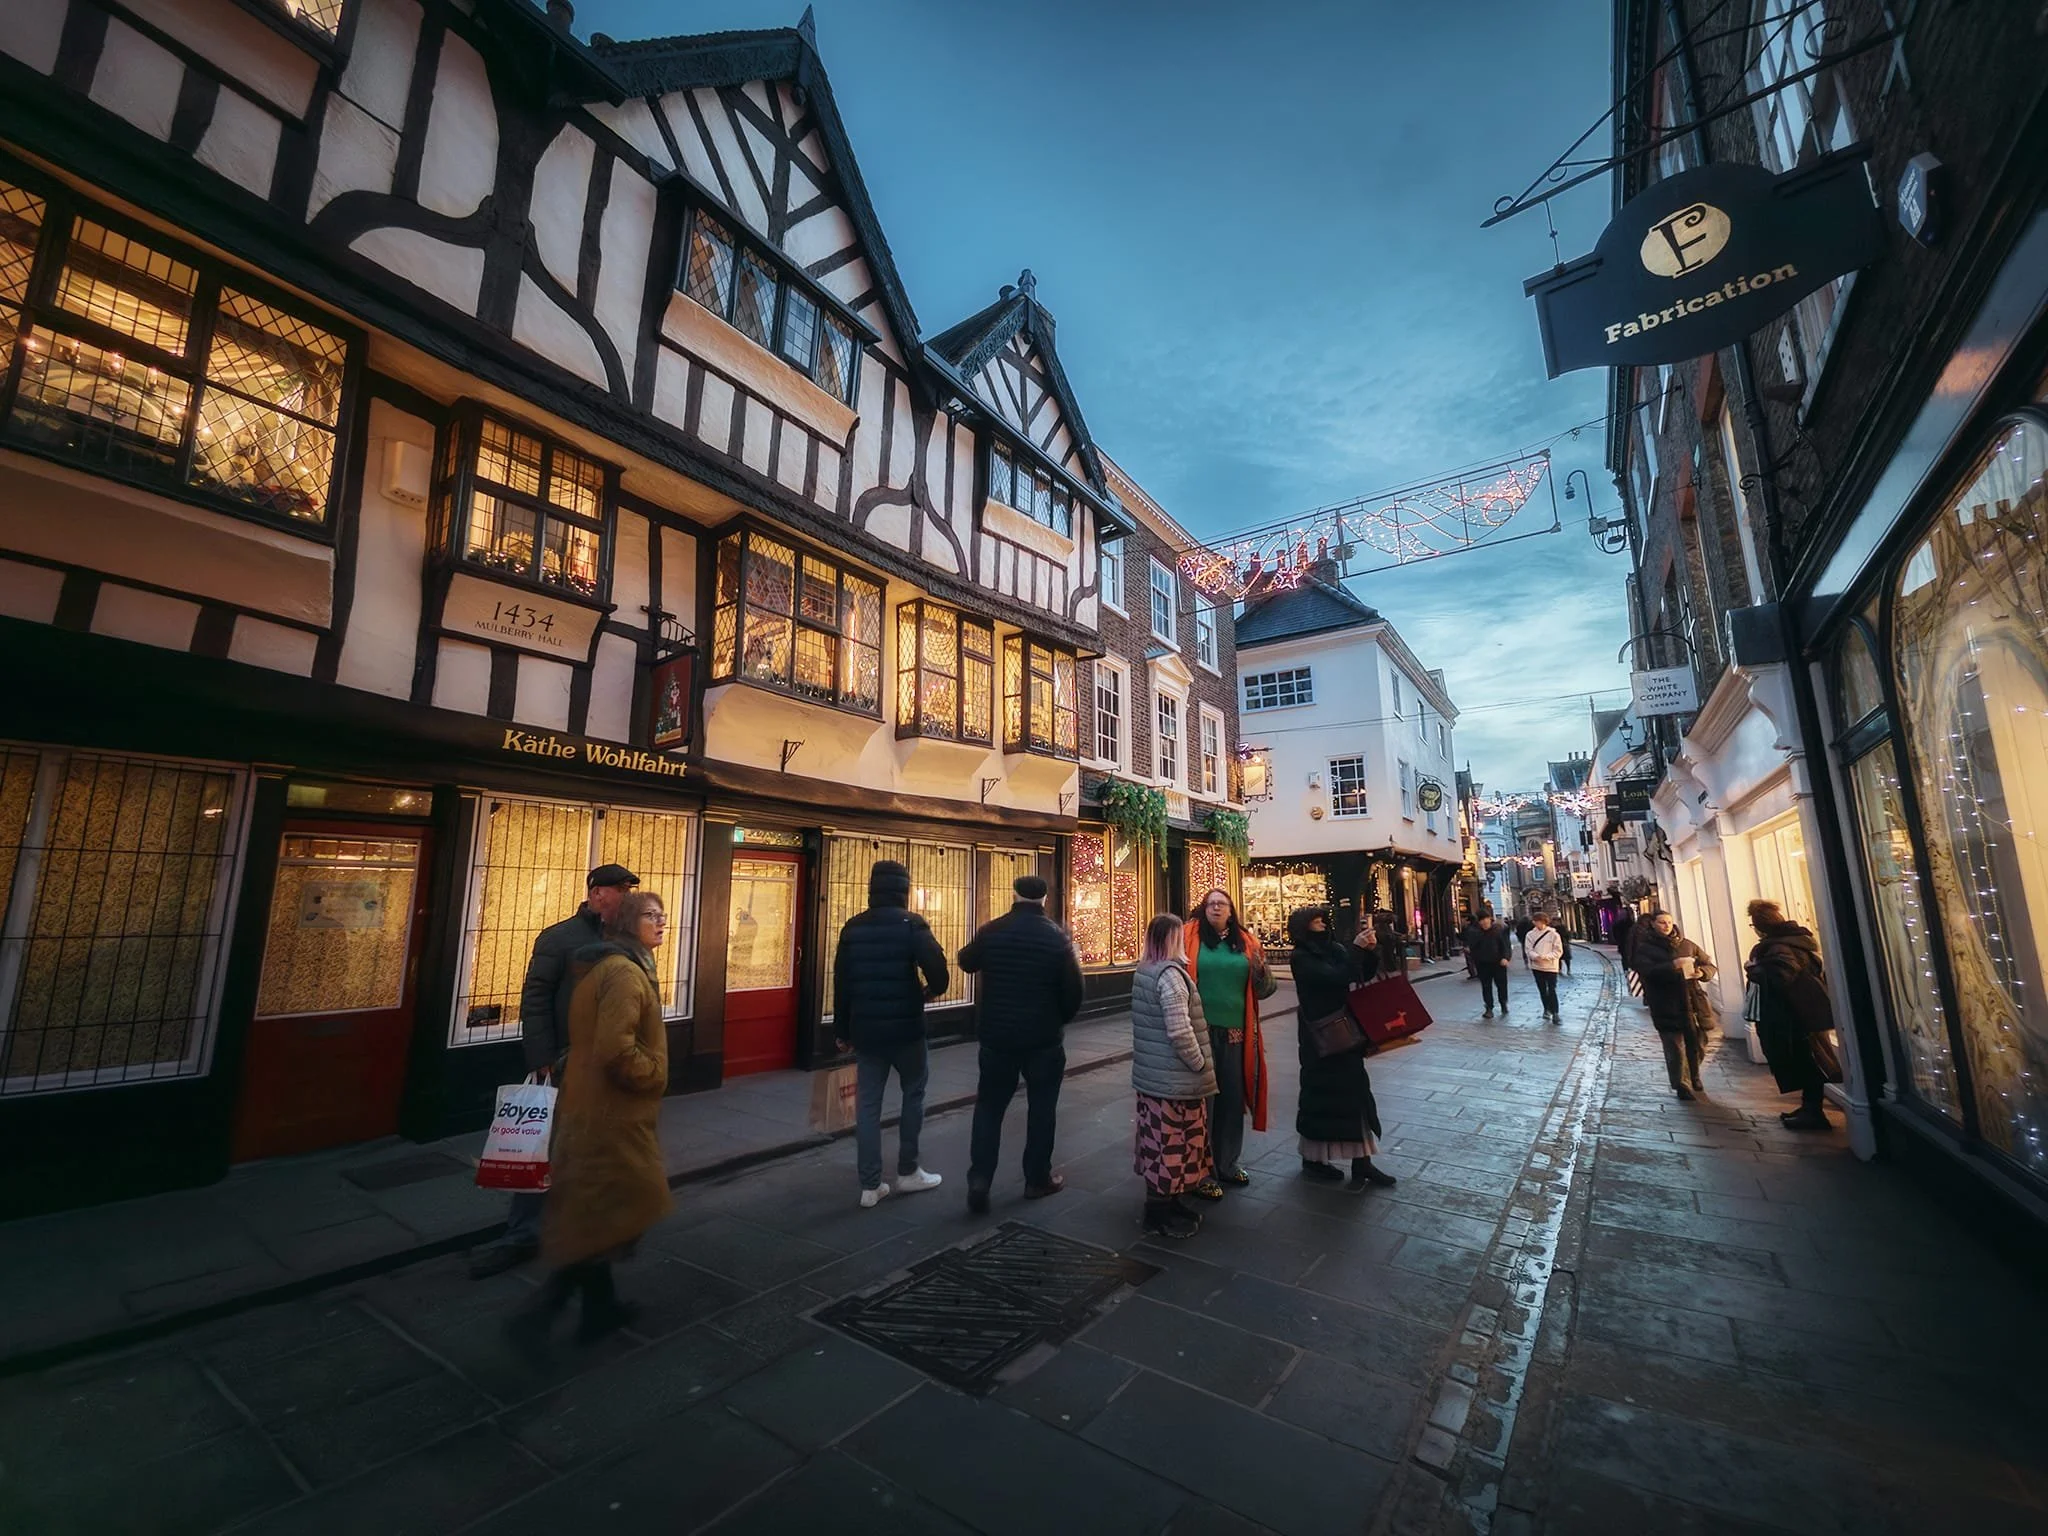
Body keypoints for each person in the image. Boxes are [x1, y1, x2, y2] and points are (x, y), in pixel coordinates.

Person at [505, 890, 673, 1350]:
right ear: (628, 923)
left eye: (663, 915)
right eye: (652, 915)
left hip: (597, 1104)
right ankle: (538, 1315)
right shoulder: (623, 972)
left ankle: (600, 1311)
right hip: (609, 1111)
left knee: (600, 1212)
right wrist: (655, 1073)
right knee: (624, 1205)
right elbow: (616, 1049)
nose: (662, 922)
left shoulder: (613, 966)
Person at [471, 862, 639, 1280]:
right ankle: (523, 1235)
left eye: (630, 890)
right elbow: (536, 997)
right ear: (597, 893)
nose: (627, 897)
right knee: (543, 1147)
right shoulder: (560, 938)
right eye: (620, 889)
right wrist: (541, 1056)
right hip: (566, 1060)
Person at [959, 874, 1085, 1213]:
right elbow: (1075, 991)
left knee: (989, 1108)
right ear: (1044, 899)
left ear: (1014, 895)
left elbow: (966, 961)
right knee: (1042, 1109)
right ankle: (1036, 1179)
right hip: (1043, 1039)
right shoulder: (1057, 936)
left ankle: (980, 1180)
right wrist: (1058, 1020)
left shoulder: (992, 930)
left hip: (997, 1037)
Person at [832, 860, 950, 1209]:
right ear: (904, 889)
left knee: (868, 1105)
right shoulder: (911, 924)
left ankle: (870, 1185)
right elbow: (939, 972)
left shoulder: (853, 928)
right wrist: (928, 992)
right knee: (913, 1093)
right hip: (907, 1030)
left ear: (872, 888)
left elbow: (842, 984)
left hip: (867, 1032)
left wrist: (842, 1031)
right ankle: (908, 1171)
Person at [1288, 907, 1396, 1191]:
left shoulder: (1335, 948)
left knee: (1356, 1093)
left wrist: (1369, 952)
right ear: (1303, 927)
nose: (1323, 925)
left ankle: (1362, 1161)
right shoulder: (1301, 956)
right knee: (1320, 1097)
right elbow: (1335, 977)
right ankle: (1314, 1159)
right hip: (1321, 1036)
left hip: (1346, 1032)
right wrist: (1357, 950)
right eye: (1316, 922)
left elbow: (1358, 973)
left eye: (1323, 920)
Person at [1129, 913, 1217, 1239]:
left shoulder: (1146, 969)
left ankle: (1172, 1202)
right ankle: (1158, 1213)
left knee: (1158, 1141)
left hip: (1154, 1077)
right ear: (1173, 939)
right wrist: (1198, 1063)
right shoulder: (1171, 977)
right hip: (1174, 1080)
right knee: (1172, 1144)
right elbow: (1180, 1030)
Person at [1182, 888, 1272, 1197]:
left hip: (1236, 1034)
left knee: (1232, 1101)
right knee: (1203, 1103)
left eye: (1222, 904)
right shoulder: (1188, 936)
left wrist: (1261, 972)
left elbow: (1265, 990)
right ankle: (1199, 1170)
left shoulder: (1247, 943)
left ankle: (1227, 1163)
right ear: (1203, 908)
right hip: (1200, 1032)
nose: (1216, 908)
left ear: (1231, 911)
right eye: (1211, 904)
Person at [1746, 899, 1838, 1129]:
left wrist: (1754, 969)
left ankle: (1813, 1113)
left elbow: (1782, 976)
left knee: (1806, 1061)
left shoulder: (1779, 947)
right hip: (1803, 1011)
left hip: (1793, 1014)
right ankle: (1809, 1108)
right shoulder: (1792, 942)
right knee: (1806, 1060)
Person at [1632, 911, 1714, 1100]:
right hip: (1666, 1002)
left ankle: (1693, 1075)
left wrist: (1702, 973)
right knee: (1675, 1047)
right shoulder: (1645, 949)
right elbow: (1647, 971)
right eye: (1662, 922)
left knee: (1699, 1042)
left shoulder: (1687, 944)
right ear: (1653, 924)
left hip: (1693, 1001)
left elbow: (1709, 964)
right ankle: (1682, 1084)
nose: (1666, 925)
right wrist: (1672, 966)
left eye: (1669, 922)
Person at [1468, 912, 1514, 1017]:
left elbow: (1506, 945)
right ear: (1479, 922)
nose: (1484, 922)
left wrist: (1506, 957)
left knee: (1501, 985)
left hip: (1498, 963)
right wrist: (1476, 959)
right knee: (1486, 986)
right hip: (1483, 964)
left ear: (1490, 919)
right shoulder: (1475, 933)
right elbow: (1473, 947)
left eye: (1486, 919)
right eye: (1481, 920)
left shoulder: (1499, 931)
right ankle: (1489, 1007)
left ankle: (1503, 1003)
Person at [1525, 911, 1564, 1020]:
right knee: (1542, 989)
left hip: (1551, 966)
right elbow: (1528, 949)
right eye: (1536, 921)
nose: (1538, 924)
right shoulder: (1530, 935)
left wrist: (1546, 957)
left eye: (1540, 921)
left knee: (1552, 989)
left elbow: (1558, 951)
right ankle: (1546, 1009)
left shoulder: (1554, 934)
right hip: (1537, 966)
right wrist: (1536, 957)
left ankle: (1555, 1012)